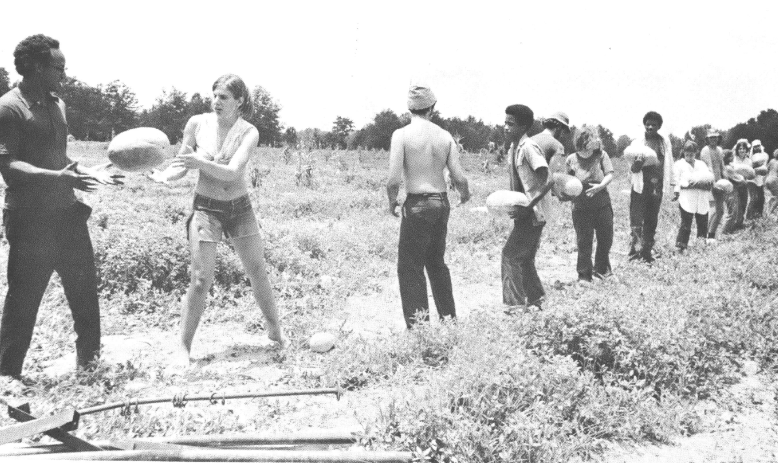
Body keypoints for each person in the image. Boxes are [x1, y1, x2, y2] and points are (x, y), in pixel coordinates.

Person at [0, 35, 124, 379]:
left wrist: (90, 172)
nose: (64, 76)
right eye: (59, 68)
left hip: (66, 214)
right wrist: (60, 177)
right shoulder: (9, 108)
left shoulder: (58, 104)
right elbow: (8, 166)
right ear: (36, 67)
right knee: (24, 299)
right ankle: (7, 377)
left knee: (85, 292)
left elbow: (61, 159)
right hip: (29, 219)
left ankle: (90, 368)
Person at [149, 74, 285, 364]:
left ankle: (275, 331)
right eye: (214, 95)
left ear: (240, 101)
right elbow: (181, 165)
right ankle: (183, 348)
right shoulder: (197, 124)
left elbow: (234, 171)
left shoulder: (249, 132)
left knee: (257, 270)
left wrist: (200, 163)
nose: (216, 101)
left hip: (239, 208)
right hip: (206, 208)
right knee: (201, 279)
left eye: (224, 97)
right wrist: (162, 177)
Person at [386, 85, 470, 329]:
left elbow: (393, 180)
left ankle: (419, 328)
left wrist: (392, 201)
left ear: (409, 108)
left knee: (410, 267)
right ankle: (449, 320)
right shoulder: (445, 136)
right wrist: (464, 195)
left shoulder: (401, 135)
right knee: (436, 263)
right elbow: (459, 178)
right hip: (441, 203)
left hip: (418, 204)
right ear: (432, 108)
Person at [501, 104, 553, 312]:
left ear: (523, 127)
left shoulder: (529, 148)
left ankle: (514, 306)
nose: (505, 127)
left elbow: (548, 180)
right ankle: (537, 299)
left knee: (510, 256)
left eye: (510, 124)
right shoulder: (514, 148)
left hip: (532, 214)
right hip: (525, 212)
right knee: (525, 259)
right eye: (505, 122)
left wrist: (529, 207)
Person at [566, 126, 614, 282]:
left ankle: (602, 270)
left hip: (602, 203)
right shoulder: (571, 159)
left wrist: (600, 186)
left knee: (605, 238)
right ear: (580, 140)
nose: (592, 141)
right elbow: (566, 182)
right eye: (587, 138)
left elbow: (609, 174)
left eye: (593, 137)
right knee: (584, 241)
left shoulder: (602, 155)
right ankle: (584, 275)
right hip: (581, 207)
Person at [624, 111, 673, 263]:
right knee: (636, 219)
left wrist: (673, 185)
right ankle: (634, 253)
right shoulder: (637, 143)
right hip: (640, 186)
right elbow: (631, 168)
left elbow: (669, 163)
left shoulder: (664, 143)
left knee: (652, 220)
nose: (650, 127)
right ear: (644, 125)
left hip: (656, 186)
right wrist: (636, 165)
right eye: (648, 124)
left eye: (654, 124)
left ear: (659, 126)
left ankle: (646, 252)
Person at [672, 141, 711, 252]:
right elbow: (676, 181)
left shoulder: (701, 164)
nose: (689, 157)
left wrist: (706, 184)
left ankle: (701, 245)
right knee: (686, 223)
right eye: (687, 154)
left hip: (702, 196)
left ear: (696, 153)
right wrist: (677, 191)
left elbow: (707, 178)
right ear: (684, 153)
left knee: (703, 222)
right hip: (687, 197)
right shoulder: (679, 164)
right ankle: (681, 246)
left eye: (692, 154)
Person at [700, 129, 727, 243]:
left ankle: (711, 234)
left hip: (719, 182)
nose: (713, 139)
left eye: (715, 137)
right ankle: (709, 236)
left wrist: (726, 181)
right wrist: (713, 184)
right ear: (707, 139)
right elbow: (708, 168)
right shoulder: (705, 150)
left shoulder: (720, 150)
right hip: (709, 182)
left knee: (720, 210)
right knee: (713, 209)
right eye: (711, 137)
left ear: (718, 138)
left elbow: (722, 167)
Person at [730, 139, 752, 230]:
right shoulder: (734, 159)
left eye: (743, 148)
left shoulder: (749, 161)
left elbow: (750, 173)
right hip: (735, 185)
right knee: (736, 204)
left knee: (743, 203)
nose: (742, 150)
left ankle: (740, 223)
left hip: (744, 185)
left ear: (746, 150)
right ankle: (734, 223)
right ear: (737, 150)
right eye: (740, 148)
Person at [748, 139, 768, 219]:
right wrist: (755, 166)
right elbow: (749, 168)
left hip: (760, 179)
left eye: (758, 146)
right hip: (752, 180)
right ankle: (749, 216)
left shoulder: (765, 155)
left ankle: (759, 215)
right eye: (755, 147)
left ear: (760, 146)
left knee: (761, 198)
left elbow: (764, 167)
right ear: (753, 148)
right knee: (754, 198)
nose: (757, 148)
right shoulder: (750, 157)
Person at [766, 149, 778, 215]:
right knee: (777, 198)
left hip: (768, 179)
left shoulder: (772, 161)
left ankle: (767, 210)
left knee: (772, 196)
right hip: (774, 179)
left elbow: (766, 169)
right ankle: (770, 212)